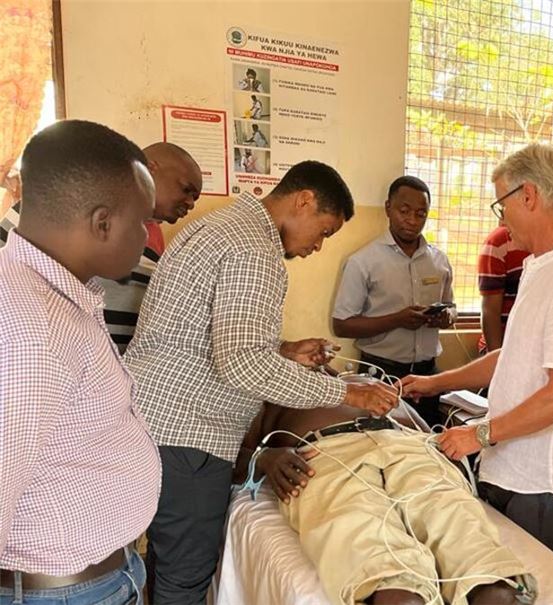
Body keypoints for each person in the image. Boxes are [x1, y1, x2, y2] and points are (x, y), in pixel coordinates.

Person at [125, 161, 399, 604]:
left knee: (167, 562)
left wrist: (284, 350)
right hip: (189, 436)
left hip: (156, 423)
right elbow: (242, 365)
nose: (318, 247)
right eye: (324, 231)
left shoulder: (223, 226)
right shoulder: (254, 249)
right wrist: (350, 392)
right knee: (185, 577)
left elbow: (204, 334)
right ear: (303, 200)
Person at [401, 144, 553, 554]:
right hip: (511, 465)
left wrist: (480, 433)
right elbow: (510, 356)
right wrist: (433, 383)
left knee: (526, 587)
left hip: (541, 481)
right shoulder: (539, 267)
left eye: (502, 205)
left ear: (528, 196)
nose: (502, 219)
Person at [0, 121, 160, 604]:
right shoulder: (34, 327)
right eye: (144, 221)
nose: (149, 235)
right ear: (102, 223)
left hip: (97, 578)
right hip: (64, 593)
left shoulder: (58, 297)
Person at [237, 400, 535, 605]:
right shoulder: (277, 395)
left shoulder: (371, 384)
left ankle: (489, 586)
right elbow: (223, 454)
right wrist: (263, 459)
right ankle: (398, 590)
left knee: (454, 518)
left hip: (409, 446)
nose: (318, 357)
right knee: (360, 527)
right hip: (324, 453)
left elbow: (428, 430)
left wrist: (446, 457)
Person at [2, 142, 203, 353]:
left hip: (112, 367)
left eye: (195, 198)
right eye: (186, 189)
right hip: (42, 359)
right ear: (149, 168)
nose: (190, 203)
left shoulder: (152, 234)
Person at [333, 176, 453, 425]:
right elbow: (342, 325)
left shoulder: (439, 261)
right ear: (388, 208)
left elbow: (452, 309)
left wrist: (446, 317)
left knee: (428, 444)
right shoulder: (363, 262)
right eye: (404, 211)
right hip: (380, 375)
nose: (412, 220)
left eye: (421, 213)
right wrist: (397, 320)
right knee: (383, 446)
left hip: (427, 375)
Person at [477, 224, 528, 354]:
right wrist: (497, 360)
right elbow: (490, 311)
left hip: (541, 350)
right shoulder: (498, 242)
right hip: (505, 346)